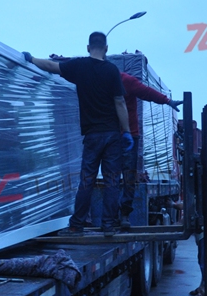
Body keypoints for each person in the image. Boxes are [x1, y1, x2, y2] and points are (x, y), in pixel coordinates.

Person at [22, 32, 132, 237]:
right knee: (112, 181)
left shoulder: (80, 66)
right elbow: (120, 102)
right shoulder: (112, 70)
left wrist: (31, 59)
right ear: (106, 49)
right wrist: (126, 132)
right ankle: (108, 226)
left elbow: (51, 66)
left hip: (92, 135)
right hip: (111, 135)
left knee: (87, 180)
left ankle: (76, 225)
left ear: (88, 47)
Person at [118, 72, 182, 230]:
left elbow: (146, 92)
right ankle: (121, 215)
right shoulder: (121, 79)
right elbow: (146, 92)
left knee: (120, 176)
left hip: (114, 135)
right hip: (120, 135)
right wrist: (167, 101)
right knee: (127, 176)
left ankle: (119, 215)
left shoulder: (115, 79)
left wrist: (167, 100)